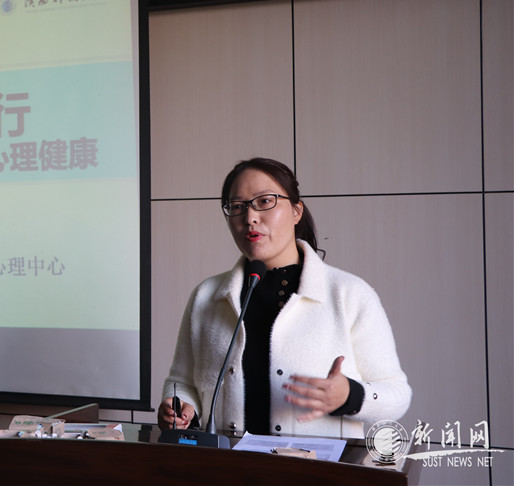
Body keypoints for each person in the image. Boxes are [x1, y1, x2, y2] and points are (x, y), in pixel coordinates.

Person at [158, 157, 410, 439]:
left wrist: (349, 395)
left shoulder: (349, 294)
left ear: (296, 211)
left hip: (317, 463)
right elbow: (181, 382)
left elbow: (397, 395)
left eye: (265, 201)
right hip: (227, 461)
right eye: (237, 206)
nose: (250, 218)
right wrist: (181, 407)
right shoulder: (206, 296)